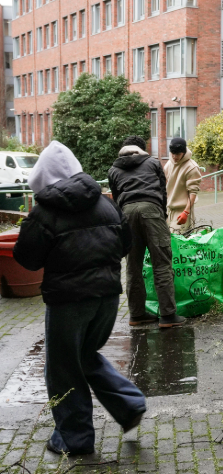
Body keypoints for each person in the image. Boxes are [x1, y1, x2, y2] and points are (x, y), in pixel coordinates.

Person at [14, 141, 145, 456]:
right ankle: (128, 405)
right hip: (108, 297)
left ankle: (74, 437)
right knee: (85, 356)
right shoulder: (105, 203)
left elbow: (26, 259)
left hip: (69, 301)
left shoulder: (45, 212)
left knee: (62, 368)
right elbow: (126, 242)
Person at [108, 136, 181, 328]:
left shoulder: (114, 169)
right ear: (142, 149)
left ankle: (137, 314)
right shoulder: (153, 162)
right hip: (152, 209)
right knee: (162, 264)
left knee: (133, 266)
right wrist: (161, 214)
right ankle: (168, 316)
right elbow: (162, 191)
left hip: (127, 214)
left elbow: (116, 199)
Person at [164, 138, 202, 233]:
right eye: (172, 153)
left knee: (178, 242)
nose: (174, 157)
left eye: (178, 154)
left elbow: (193, 192)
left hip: (182, 210)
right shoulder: (169, 164)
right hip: (168, 209)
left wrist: (186, 212)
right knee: (166, 242)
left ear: (184, 153)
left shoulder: (192, 167)